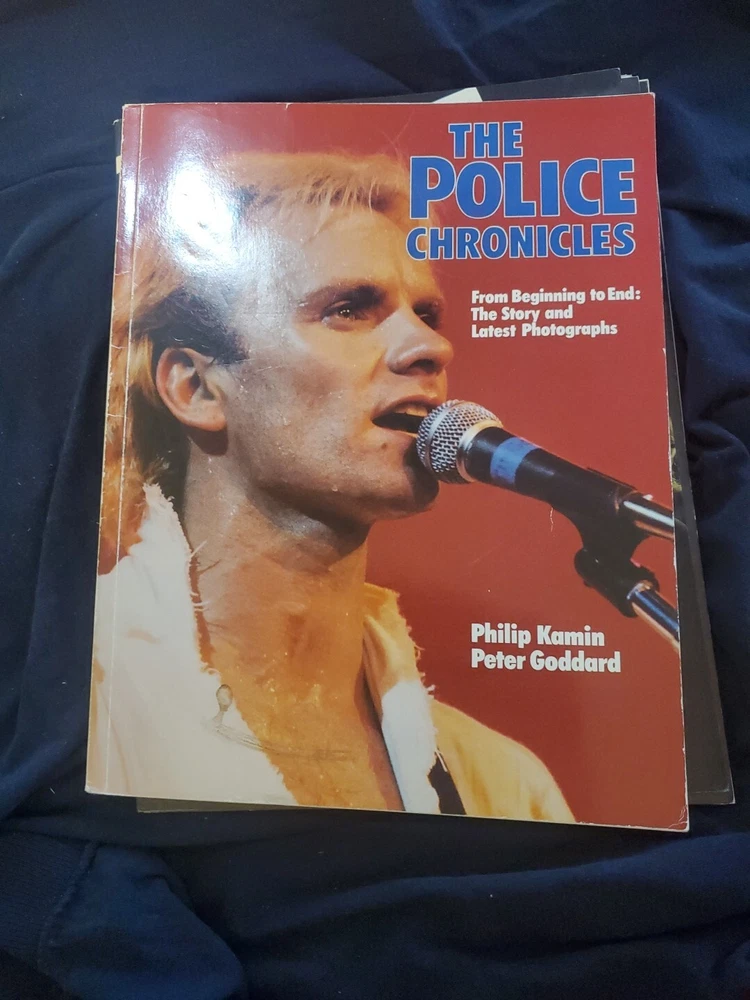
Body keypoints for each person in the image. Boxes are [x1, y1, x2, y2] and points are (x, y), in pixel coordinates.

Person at [87, 150, 573, 824]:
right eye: (347, 310)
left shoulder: (504, 785)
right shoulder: (86, 706)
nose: (432, 348)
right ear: (196, 387)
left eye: (427, 313)